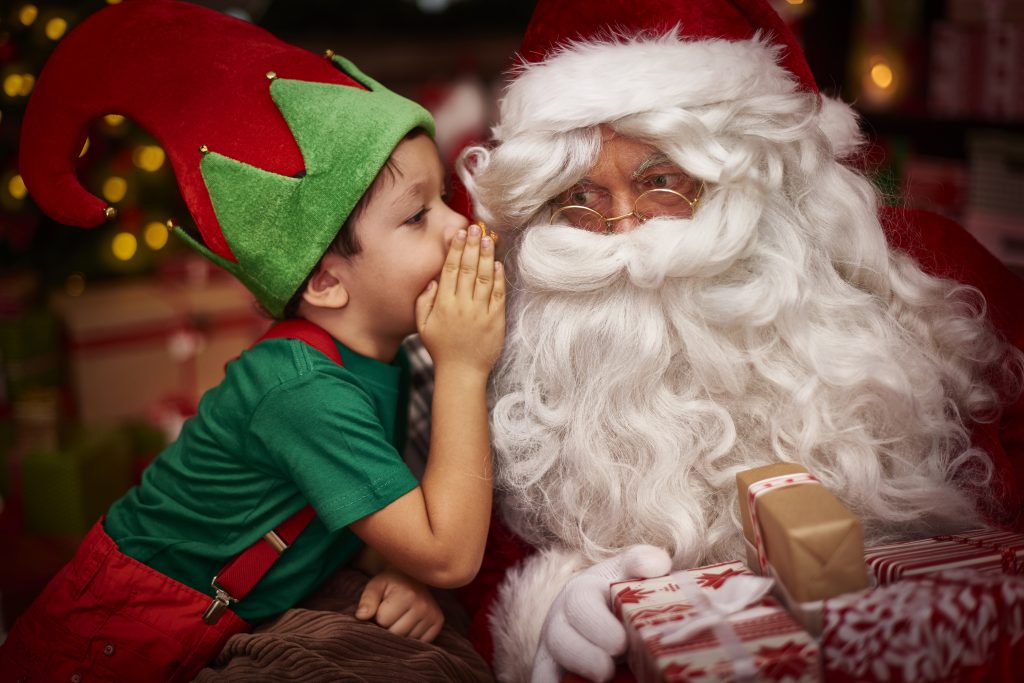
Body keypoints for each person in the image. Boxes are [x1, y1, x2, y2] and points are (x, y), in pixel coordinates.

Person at [455, 0, 1024, 681]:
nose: (624, 233)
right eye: (580, 196)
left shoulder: (932, 276)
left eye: (662, 181)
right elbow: (478, 574)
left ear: (757, 176)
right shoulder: (513, 340)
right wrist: (541, 610)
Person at [1, 1, 504, 681]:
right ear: (326, 282)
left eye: (442, 197)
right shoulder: (302, 390)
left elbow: (373, 516)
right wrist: (466, 367)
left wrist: (397, 569)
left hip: (240, 607)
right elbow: (450, 552)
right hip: (111, 639)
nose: (455, 226)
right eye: (417, 215)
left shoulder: (386, 354)